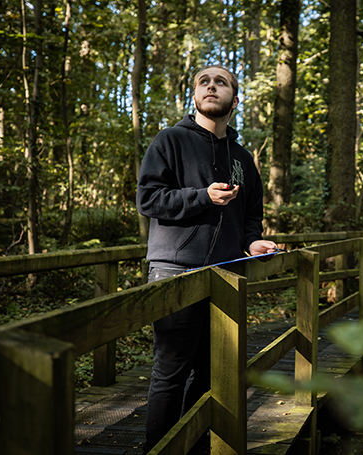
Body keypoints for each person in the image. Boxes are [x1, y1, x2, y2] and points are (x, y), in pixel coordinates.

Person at [136, 64, 277, 454]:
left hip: (227, 275)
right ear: (194, 95)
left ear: (235, 97)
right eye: (204, 82)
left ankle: (196, 447)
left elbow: (251, 215)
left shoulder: (243, 158)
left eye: (222, 82)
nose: (212, 87)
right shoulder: (170, 141)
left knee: (213, 372)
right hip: (174, 271)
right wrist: (201, 196)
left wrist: (252, 243)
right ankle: (159, 450)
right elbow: (148, 199)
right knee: (171, 372)